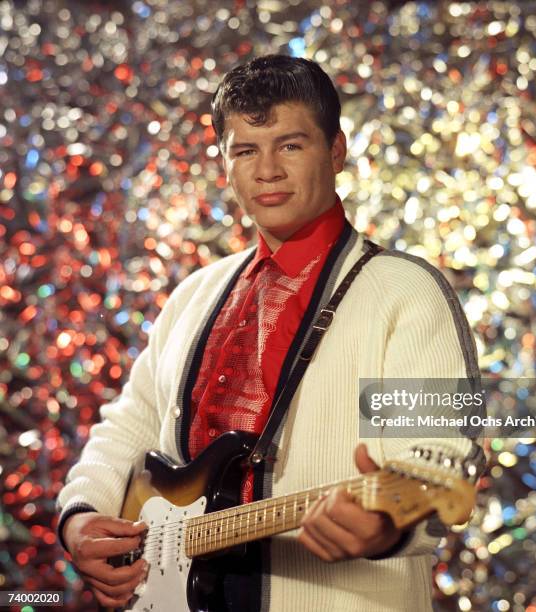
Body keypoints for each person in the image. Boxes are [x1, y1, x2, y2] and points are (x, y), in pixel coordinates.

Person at [57, 54, 485, 611]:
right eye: (245, 151)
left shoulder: (407, 292)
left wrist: (387, 523)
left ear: (336, 150)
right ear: (224, 164)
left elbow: (440, 460)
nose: (267, 171)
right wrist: (81, 516)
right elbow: (130, 425)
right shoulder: (196, 292)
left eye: (290, 145)